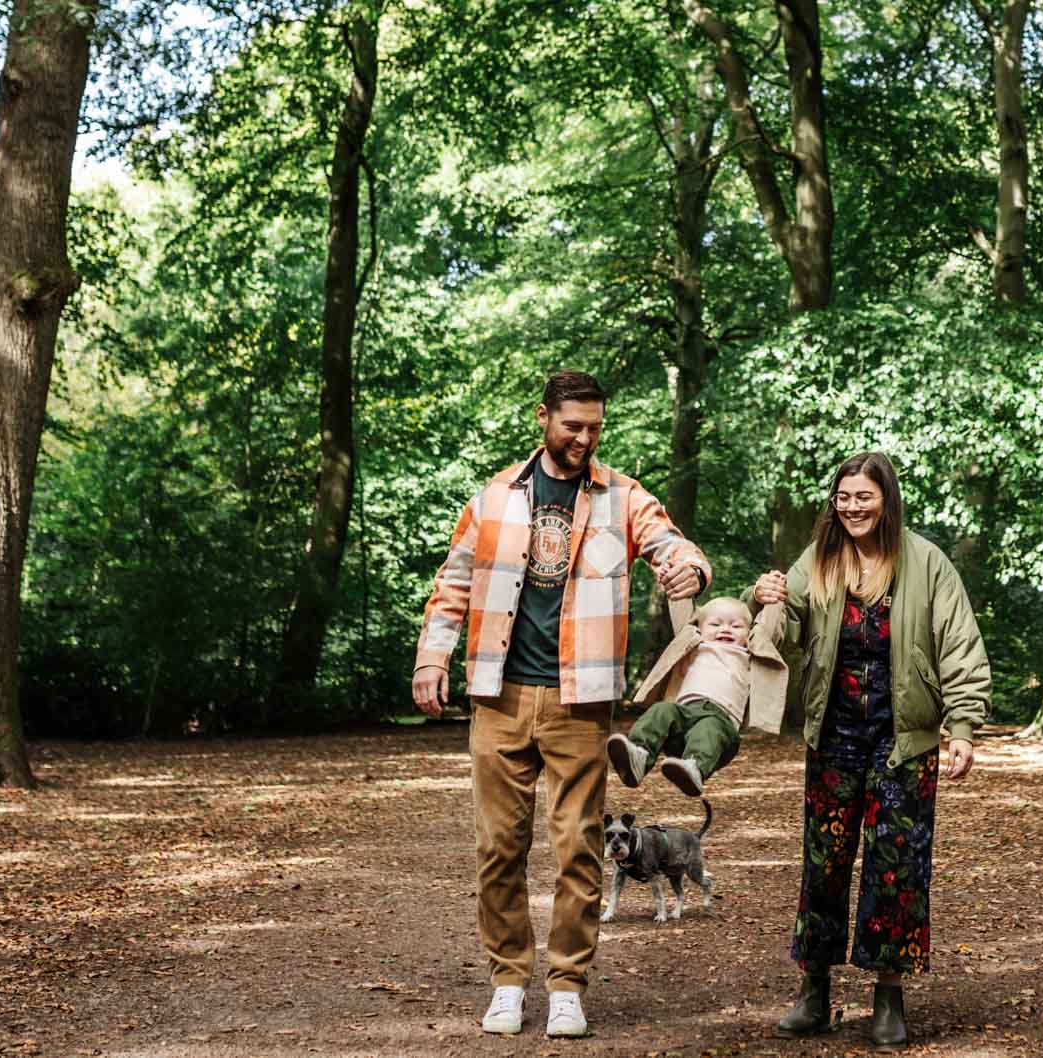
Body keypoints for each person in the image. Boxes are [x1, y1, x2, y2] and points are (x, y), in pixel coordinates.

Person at [411, 370, 709, 1039]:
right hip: (499, 695)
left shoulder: (622, 497)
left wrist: (689, 566)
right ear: (543, 417)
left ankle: (568, 985)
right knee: (499, 847)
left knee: (579, 847)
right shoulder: (494, 497)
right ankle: (509, 981)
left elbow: (670, 542)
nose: (583, 438)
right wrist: (433, 655)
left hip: (582, 699)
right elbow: (453, 582)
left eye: (594, 428)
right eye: (571, 425)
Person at [751, 451, 990, 1049]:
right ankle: (814, 991)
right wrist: (769, 599)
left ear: (887, 499)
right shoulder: (821, 560)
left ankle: (888, 995)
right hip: (833, 736)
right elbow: (788, 630)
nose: (852, 507)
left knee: (897, 868)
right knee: (824, 864)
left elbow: (960, 647)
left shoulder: (926, 562)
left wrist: (961, 726)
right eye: (844, 497)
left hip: (903, 740)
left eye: (864, 496)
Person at [605, 596, 787, 796]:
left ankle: (695, 768)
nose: (725, 629)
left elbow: (768, 628)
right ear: (699, 627)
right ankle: (639, 755)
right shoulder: (692, 645)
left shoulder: (750, 655)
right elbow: (680, 603)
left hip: (721, 724)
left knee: (709, 728)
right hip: (684, 715)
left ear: (748, 633)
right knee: (661, 710)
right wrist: (679, 570)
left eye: (736, 626)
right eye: (715, 624)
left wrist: (774, 598)